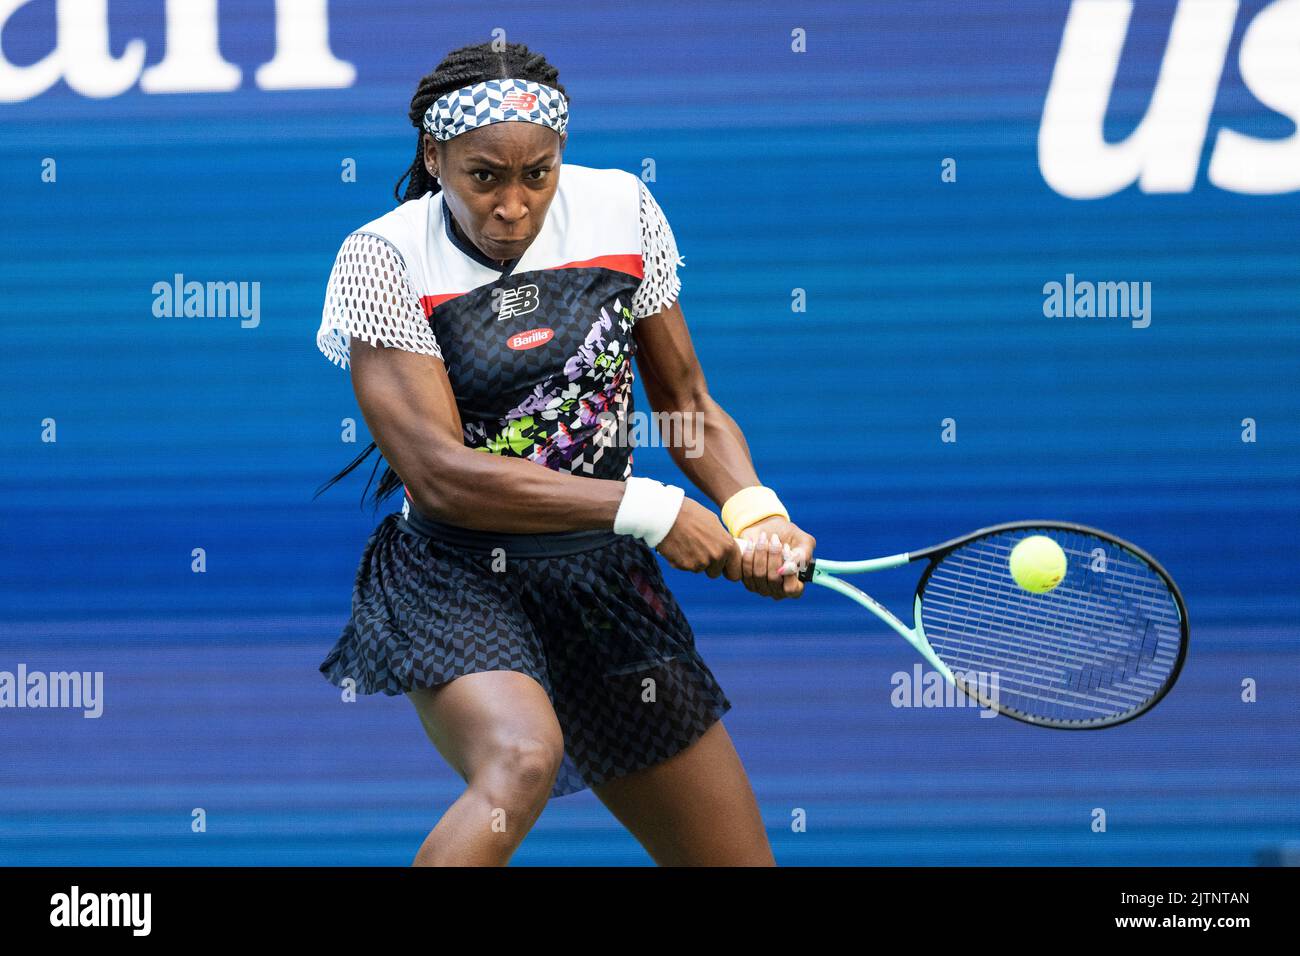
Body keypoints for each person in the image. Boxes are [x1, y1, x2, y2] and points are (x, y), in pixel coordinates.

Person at [313, 41, 816, 866]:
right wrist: (651, 509)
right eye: (485, 177)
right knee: (521, 760)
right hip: (458, 575)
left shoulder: (622, 211)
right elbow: (440, 478)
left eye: (536, 175)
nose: (514, 204)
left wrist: (756, 513)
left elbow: (687, 404)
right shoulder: (383, 258)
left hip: (601, 581)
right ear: (435, 158)